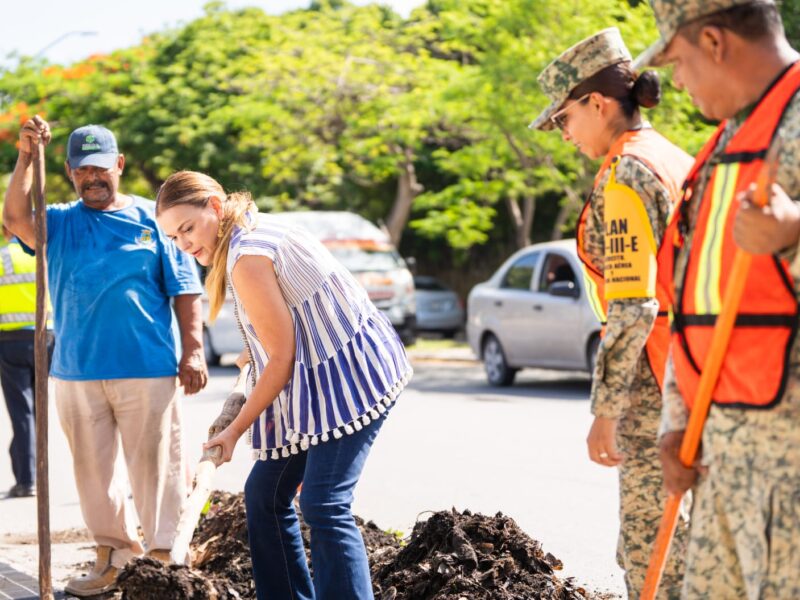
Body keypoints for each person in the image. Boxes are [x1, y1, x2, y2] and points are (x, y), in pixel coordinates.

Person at [155, 171, 412, 600]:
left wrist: (233, 431)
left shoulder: (247, 256)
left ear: (215, 208)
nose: (184, 244)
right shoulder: (248, 226)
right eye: (174, 237)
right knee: (263, 495)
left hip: (349, 374)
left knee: (324, 504)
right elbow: (283, 320)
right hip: (316, 376)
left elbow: (281, 359)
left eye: (188, 228)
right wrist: (250, 348)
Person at [3, 118, 208, 597]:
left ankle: (164, 561)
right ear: (71, 174)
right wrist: (26, 156)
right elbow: (14, 219)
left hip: (148, 367)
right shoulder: (59, 221)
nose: (92, 178)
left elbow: (185, 290)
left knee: (157, 470)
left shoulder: (153, 221)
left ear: (118, 165)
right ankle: (115, 557)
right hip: (76, 371)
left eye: (100, 168)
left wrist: (194, 351)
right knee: (93, 475)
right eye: (81, 171)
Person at [637, 0, 800, 597]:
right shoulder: (724, 144)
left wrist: (793, 235)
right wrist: (677, 424)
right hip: (721, 456)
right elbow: (695, 299)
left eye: (677, 62)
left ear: (713, 41)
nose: (676, 82)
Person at [530, 28, 694, 598]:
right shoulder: (675, 157)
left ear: (596, 103)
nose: (563, 133)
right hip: (696, 372)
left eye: (562, 119)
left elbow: (633, 302)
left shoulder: (626, 173)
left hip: (657, 384)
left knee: (653, 554)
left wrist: (608, 406)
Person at [0, 225, 53, 498]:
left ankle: (27, 479)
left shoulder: (2, 258)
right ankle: (34, 472)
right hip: (46, 339)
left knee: (22, 412)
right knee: (38, 409)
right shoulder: (42, 256)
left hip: (11, 343)